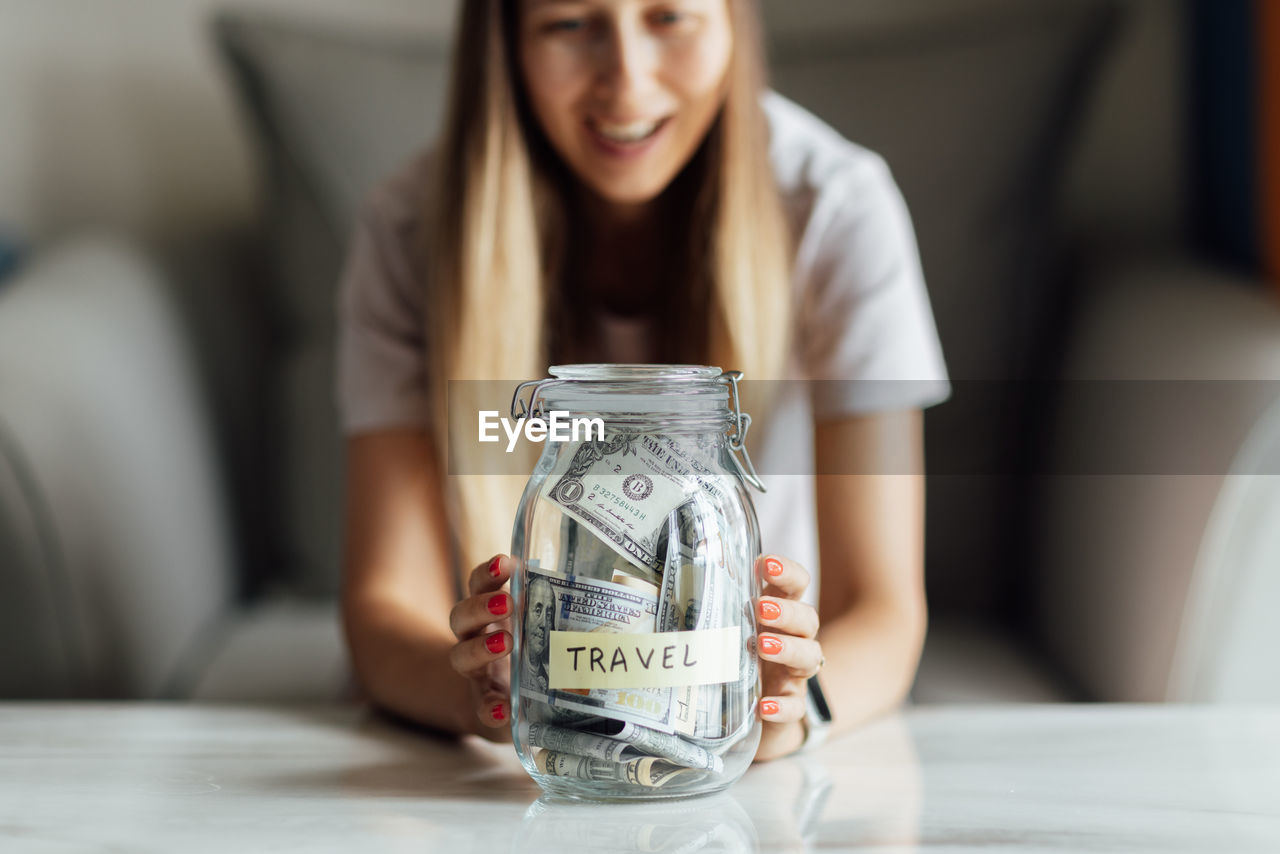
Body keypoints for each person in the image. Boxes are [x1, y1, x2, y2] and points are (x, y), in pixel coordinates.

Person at [338, 0, 949, 762]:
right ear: (505, 44)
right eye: (569, 24)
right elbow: (382, 609)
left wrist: (786, 712)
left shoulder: (838, 206)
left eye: (668, 16)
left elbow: (886, 613)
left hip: (739, 728)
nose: (626, 83)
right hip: (522, 743)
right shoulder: (407, 231)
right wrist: (483, 691)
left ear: (733, 21)